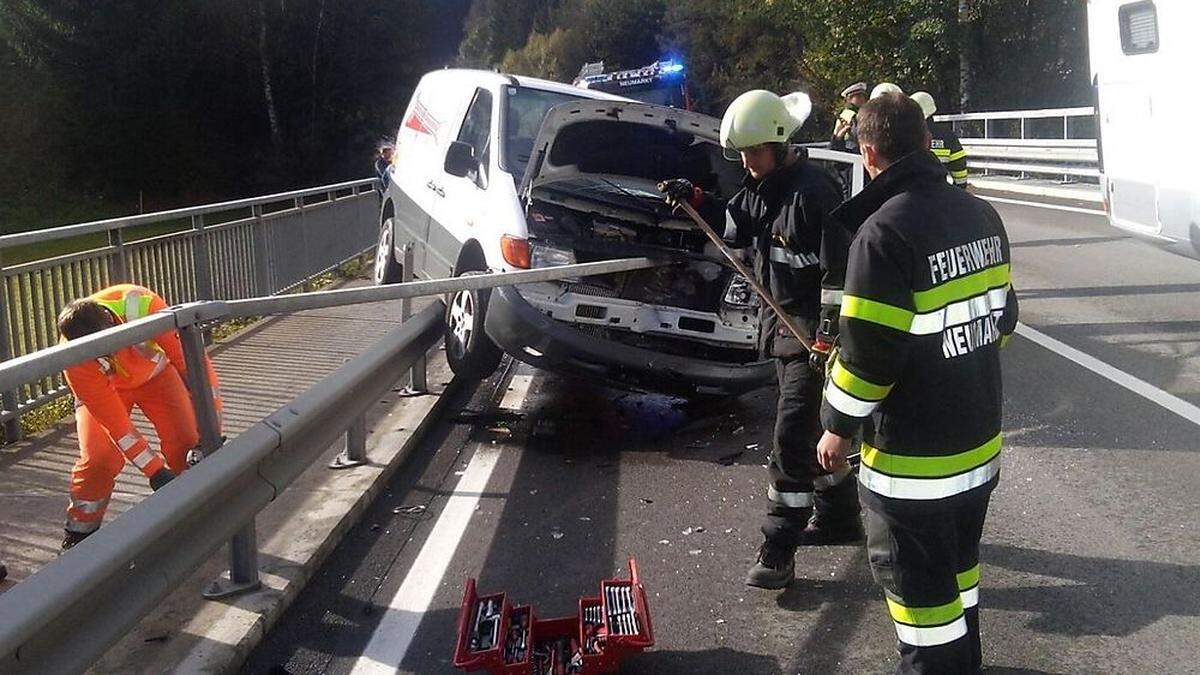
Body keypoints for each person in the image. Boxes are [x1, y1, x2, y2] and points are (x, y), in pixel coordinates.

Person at [815, 93, 1018, 674]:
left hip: (913, 468)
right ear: (928, 142)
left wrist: (835, 428)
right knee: (959, 577)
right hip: (978, 451)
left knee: (923, 606)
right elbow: (1000, 324)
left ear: (868, 153)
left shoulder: (881, 235)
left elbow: (867, 361)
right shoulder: (982, 216)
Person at [660, 89, 862, 590]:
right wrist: (696, 197)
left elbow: (841, 273)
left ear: (779, 142)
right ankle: (840, 518)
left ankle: (778, 549)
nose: (746, 163)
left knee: (791, 436)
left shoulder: (816, 193)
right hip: (782, 329)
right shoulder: (763, 185)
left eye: (753, 152)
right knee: (816, 427)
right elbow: (735, 222)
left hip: (812, 337)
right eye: (741, 154)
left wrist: (828, 337)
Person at [57, 284, 223, 551]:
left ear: (111, 320)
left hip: (157, 376)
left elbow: (194, 367)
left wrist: (211, 426)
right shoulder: (73, 355)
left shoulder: (143, 305)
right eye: (99, 355)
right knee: (100, 458)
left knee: (186, 440)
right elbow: (117, 426)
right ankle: (79, 534)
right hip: (108, 390)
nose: (108, 356)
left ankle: (195, 512)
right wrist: (155, 471)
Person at [912, 91, 969, 189]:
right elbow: (959, 165)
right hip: (940, 193)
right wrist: (960, 188)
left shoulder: (906, 134)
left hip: (910, 195)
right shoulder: (947, 135)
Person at [830, 81, 868, 154]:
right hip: (851, 148)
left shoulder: (848, 112)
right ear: (849, 98)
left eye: (863, 96)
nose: (862, 99)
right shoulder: (851, 114)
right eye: (858, 96)